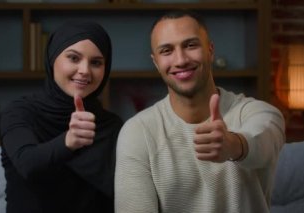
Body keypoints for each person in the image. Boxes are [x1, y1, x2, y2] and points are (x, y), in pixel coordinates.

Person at [115, 10, 285, 213]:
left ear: (210, 51)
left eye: (190, 45)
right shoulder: (137, 131)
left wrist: (232, 145)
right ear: (156, 63)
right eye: (167, 51)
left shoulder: (258, 113)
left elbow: (263, 143)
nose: (181, 60)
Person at [0, 20, 123, 213]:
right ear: (52, 58)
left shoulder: (111, 125)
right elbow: (27, 163)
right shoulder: (21, 112)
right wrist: (69, 141)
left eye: (96, 62)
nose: (85, 70)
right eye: (74, 58)